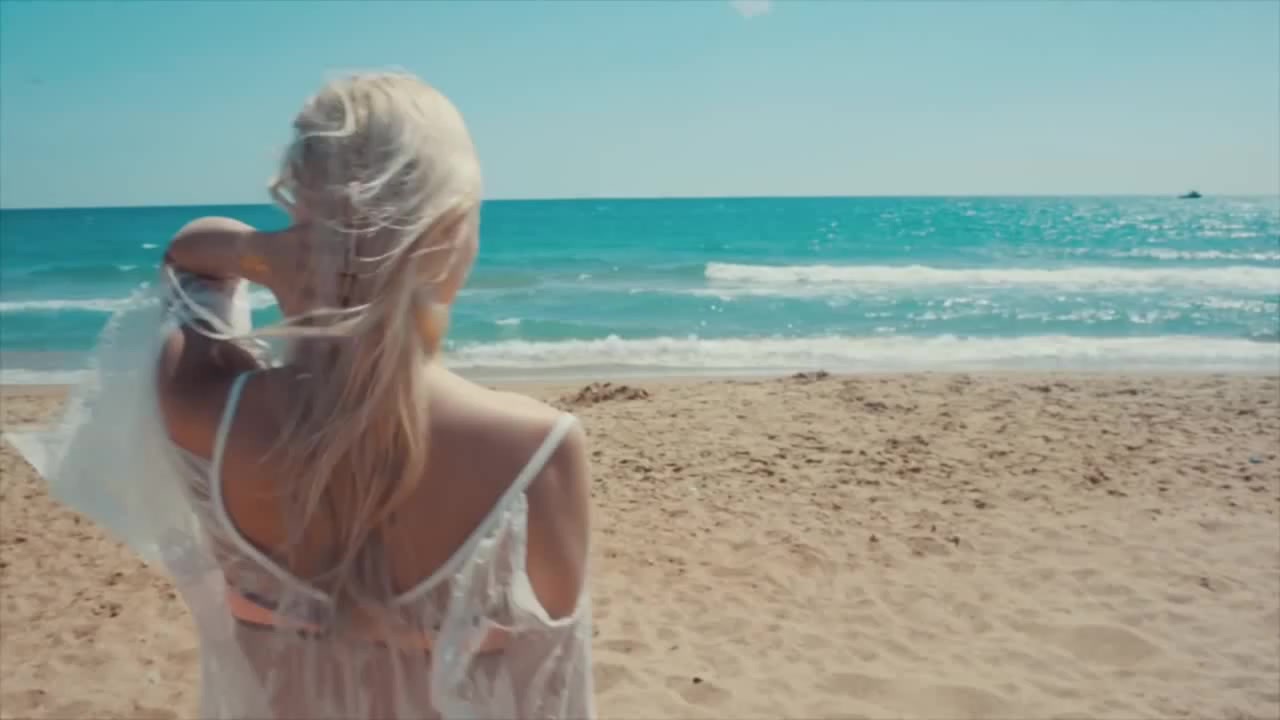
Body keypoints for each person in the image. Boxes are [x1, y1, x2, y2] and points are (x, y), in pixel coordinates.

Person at [27, 72, 595, 719]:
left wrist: (259, 253)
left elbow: (186, 265)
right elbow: (554, 692)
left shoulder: (206, 410)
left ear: (300, 217)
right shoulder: (536, 450)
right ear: (453, 230)